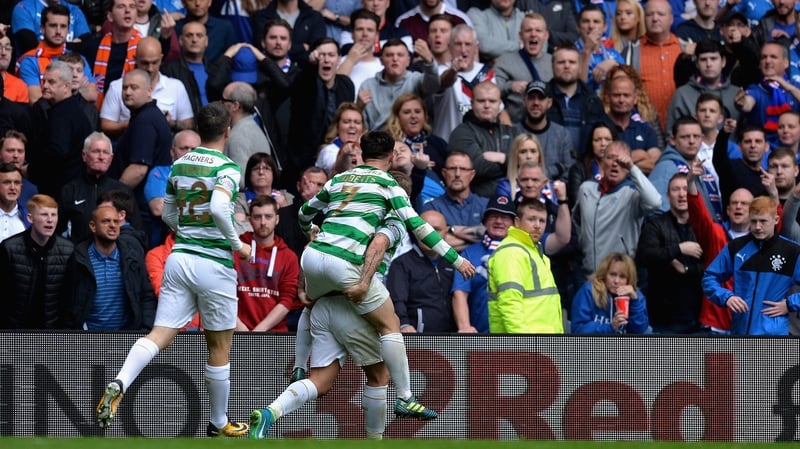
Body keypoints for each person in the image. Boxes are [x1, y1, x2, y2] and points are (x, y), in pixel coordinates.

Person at [95, 102, 253, 436]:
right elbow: (220, 207)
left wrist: (189, 230)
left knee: (160, 334)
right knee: (219, 346)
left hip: (179, 258)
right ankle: (218, 422)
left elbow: (167, 215)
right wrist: (238, 245)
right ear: (227, 131)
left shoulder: (180, 165)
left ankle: (120, 379)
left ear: (199, 129)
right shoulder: (227, 167)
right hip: (214, 263)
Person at [298, 130, 475, 420]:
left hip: (313, 256)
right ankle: (405, 396)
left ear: (362, 154)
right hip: (348, 268)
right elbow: (418, 227)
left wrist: (311, 232)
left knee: (311, 304)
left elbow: (305, 213)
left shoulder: (339, 179)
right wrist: (455, 258)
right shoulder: (388, 184)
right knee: (390, 326)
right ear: (392, 157)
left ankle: (299, 369)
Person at [248, 295, 390, 440]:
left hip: (322, 310)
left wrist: (300, 364)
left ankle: (269, 413)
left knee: (319, 382)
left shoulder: (310, 273)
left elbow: (307, 304)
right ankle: (375, 442)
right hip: (357, 308)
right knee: (379, 377)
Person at [703, 195, 800, 335]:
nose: (758, 227)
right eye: (753, 221)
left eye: (763, 221)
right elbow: (709, 278)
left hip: (773, 337)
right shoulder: (736, 247)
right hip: (740, 332)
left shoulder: (791, 252)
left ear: (776, 220)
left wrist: (790, 304)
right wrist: (726, 297)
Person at [573, 140, 661, 275]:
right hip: (588, 275)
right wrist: (583, 245)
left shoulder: (632, 195)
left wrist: (632, 168)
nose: (615, 164)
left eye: (622, 162)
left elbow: (655, 202)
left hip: (619, 278)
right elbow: (577, 220)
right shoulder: (586, 188)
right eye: (610, 158)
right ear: (602, 162)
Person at [63, 205, 157, 330]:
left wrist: (145, 329)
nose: (112, 225)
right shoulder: (78, 260)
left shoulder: (132, 258)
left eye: (116, 221)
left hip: (127, 339)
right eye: (106, 221)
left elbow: (146, 296)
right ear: (93, 226)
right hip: (88, 340)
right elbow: (67, 303)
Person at [636, 173, 705, 334]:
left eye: (685, 189)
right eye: (676, 189)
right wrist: (678, 249)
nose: (681, 194)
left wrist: (687, 269)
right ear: (668, 196)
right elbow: (645, 255)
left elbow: (712, 265)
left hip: (698, 315)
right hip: (664, 315)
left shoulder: (703, 226)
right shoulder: (655, 225)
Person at [487, 198, 563, 333]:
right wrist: (524, 345)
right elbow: (509, 303)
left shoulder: (535, 253)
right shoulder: (512, 252)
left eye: (542, 221)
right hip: (524, 347)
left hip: (541, 344)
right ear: (517, 222)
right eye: (532, 219)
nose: (537, 226)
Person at [0, 194, 74, 329]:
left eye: (54, 215)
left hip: (51, 330)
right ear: (30, 218)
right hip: (14, 329)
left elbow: (68, 300)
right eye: (44, 214)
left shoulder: (68, 250)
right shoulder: (9, 248)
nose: (50, 220)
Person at [100, 36, 194, 137]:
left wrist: (172, 123)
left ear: (161, 59)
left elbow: (189, 124)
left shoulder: (176, 86)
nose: (150, 68)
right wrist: (133, 123)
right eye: (145, 63)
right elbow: (106, 125)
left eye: (155, 62)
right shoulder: (118, 87)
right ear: (135, 59)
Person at [26, 61, 93, 199]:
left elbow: (57, 151)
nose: (44, 86)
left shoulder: (62, 114)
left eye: (51, 82)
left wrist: (32, 170)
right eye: (44, 81)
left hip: (61, 192)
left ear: (66, 86)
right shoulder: (72, 110)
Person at [234, 195, 301, 332]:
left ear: (277, 219)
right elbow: (222, 294)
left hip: (274, 335)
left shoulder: (289, 257)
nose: (263, 222)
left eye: (268, 216)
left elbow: (286, 300)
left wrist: (258, 332)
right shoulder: (235, 250)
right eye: (258, 217)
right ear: (250, 220)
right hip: (236, 330)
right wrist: (241, 329)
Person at [58, 132, 137, 245]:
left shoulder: (123, 191)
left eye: (105, 152)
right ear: (84, 156)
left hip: (115, 257)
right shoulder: (69, 190)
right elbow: (58, 231)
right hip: (78, 257)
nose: (101, 157)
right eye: (96, 151)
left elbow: (136, 230)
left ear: (111, 158)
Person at [451, 194, 515, 333]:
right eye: (493, 216)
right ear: (484, 221)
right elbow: (460, 292)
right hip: (481, 336)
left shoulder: (522, 252)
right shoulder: (469, 253)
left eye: (505, 217)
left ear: (514, 223)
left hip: (517, 334)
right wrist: (465, 327)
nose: (499, 221)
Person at [387, 209, 456, 333]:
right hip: (418, 338)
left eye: (436, 229)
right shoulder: (402, 263)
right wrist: (403, 324)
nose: (429, 235)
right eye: (424, 229)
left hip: (453, 337)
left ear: (446, 232)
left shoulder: (453, 262)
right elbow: (397, 299)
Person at [447, 81, 519, 197]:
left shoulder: (512, 132)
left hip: (512, 202)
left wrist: (504, 158)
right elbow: (477, 167)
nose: (487, 105)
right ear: (472, 103)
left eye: (492, 101)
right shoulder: (461, 133)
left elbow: (528, 163)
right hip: (477, 203)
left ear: (499, 104)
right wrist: (513, 163)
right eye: (481, 101)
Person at [358, 37, 440, 131]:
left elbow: (434, 86)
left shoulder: (416, 80)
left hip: (409, 140)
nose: (395, 59)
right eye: (389, 55)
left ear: (408, 61)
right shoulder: (368, 86)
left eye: (400, 55)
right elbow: (361, 124)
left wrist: (429, 62)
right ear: (381, 61)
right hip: (377, 141)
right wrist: (359, 107)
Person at [384, 93, 448, 207]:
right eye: (407, 112)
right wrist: (417, 167)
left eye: (417, 111)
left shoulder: (437, 143)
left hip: (439, 199)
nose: (413, 116)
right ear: (397, 116)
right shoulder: (389, 144)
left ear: (425, 115)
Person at [420, 151, 488, 251]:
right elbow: (431, 243)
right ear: (444, 173)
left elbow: (494, 235)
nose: (457, 174)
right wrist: (479, 242)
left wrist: (452, 230)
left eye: (463, 169)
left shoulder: (486, 205)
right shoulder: (432, 207)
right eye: (452, 169)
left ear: (472, 175)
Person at [493, 13, 553, 122]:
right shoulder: (504, 61)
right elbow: (491, 92)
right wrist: (509, 86)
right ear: (520, 35)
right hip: (515, 126)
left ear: (546, 35)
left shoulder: (554, 62)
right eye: (528, 30)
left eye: (538, 30)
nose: (533, 34)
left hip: (548, 126)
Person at [571, 252, 649, 334]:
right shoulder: (589, 291)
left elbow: (640, 331)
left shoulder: (635, 295)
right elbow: (578, 330)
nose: (616, 281)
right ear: (604, 274)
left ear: (629, 279)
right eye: (612, 274)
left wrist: (634, 302)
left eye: (622, 277)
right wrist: (610, 327)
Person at [514, 80, 575, 180]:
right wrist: (556, 168)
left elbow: (570, 169)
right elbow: (511, 169)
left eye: (541, 98)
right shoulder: (513, 132)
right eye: (531, 98)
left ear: (549, 103)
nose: (536, 103)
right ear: (524, 101)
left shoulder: (562, 134)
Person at [233, 153, 293, 234]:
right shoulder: (239, 199)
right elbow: (240, 229)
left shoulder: (287, 197)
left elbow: (294, 228)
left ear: (273, 173)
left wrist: (284, 208)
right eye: (256, 168)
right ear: (249, 174)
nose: (261, 172)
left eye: (266, 168)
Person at [566, 121, 616, 209]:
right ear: (591, 144)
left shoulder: (621, 170)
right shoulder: (578, 170)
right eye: (597, 140)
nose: (603, 144)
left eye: (607, 139)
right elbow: (577, 204)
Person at [316, 102, 365, 174]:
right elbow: (338, 169)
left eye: (357, 122)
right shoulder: (328, 151)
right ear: (337, 126)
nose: (352, 126)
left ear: (363, 128)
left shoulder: (367, 151)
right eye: (346, 122)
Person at [495, 133, 545, 200]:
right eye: (523, 152)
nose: (529, 156)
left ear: (539, 156)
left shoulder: (551, 187)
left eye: (533, 151)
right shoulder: (505, 186)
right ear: (515, 156)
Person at [0, 163, 28, 242]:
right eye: (7, 182)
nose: (12, 187)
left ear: (21, 187)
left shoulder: (29, 218)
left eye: (16, 183)